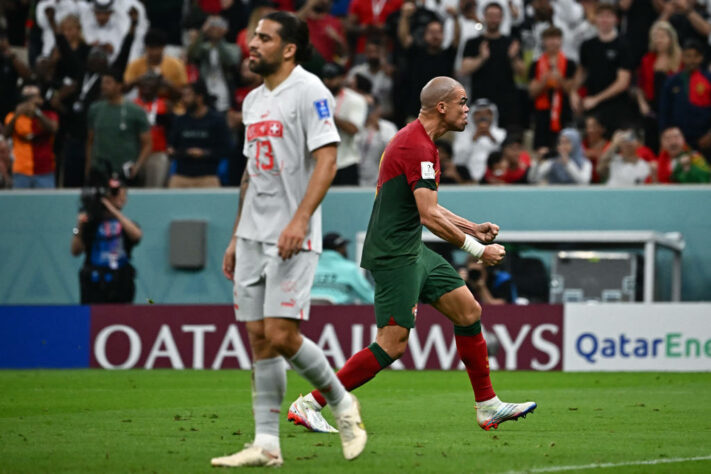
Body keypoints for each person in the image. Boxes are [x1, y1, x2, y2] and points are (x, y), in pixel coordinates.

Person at [286, 76, 536, 435]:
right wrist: (478, 250)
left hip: (411, 248)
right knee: (392, 344)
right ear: (442, 107)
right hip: (394, 253)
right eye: (463, 102)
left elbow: (428, 206)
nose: (468, 110)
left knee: (468, 311)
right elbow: (429, 216)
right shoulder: (417, 146)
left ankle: (487, 405)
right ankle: (310, 403)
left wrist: (471, 227)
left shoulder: (420, 141)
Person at [213, 11, 366, 468]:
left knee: (281, 333)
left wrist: (299, 221)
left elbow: (328, 159)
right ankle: (266, 445)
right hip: (253, 236)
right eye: (253, 36)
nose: (252, 44)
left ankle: (341, 404)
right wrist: (236, 235)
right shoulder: (254, 101)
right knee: (259, 338)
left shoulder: (310, 91)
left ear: (289, 48)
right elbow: (250, 173)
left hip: (291, 235)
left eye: (264, 37)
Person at [71, 172, 141, 303]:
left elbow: (136, 235)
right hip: (94, 282)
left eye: (124, 195)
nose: (123, 199)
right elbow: (75, 250)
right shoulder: (90, 222)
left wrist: (113, 210)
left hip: (120, 281)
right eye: (119, 195)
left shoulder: (124, 222)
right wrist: (78, 226)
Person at [459, 2, 524, 128]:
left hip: (507, 103)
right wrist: (481, 58)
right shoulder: (473, 42)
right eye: (490, 15)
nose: (493, 19)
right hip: (481, 101)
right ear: (484, 17)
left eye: (496, 16)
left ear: (502, 18)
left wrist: (513, 57)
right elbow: (464, 69)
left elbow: (522, 72)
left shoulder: (511, 42)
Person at [571, 3, 632, 131]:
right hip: (590, 103)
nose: (604, 20)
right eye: (601, 16)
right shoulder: (587, 45)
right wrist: (573, 92)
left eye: (609, 16)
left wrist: (597, 99)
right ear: (595, 19)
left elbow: (622, 82)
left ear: (616, 20)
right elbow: (582, 72)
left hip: (616, 105)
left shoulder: (623, 46)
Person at [85, 69, 152, 181]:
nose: (103, 86)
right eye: (102, 82)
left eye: (108, 82)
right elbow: (90, 141)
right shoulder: (95, 109)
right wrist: (88, 167)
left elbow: (147, 144)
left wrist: (137, 166)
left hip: (125, 171)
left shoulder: (136, 111)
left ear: (119, 86)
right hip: (100, 171)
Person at [398, 4, 459, 121]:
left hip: (443, 116)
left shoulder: (447, 55)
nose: (435, 35)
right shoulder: (416, 53)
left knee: (444, 140)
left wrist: (456, 18)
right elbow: (404, 38)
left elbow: (456, 39)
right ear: (425, 35)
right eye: (431, 32)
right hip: (417, 112)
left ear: (443, 35)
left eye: (438, 32)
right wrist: (404, 17)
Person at [167, 80, 231, 188]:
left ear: (199, 97)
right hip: (182, 175)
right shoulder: (180, 121)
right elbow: (172, 147)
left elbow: (226, 149)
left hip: (208, 175)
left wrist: (204, 153)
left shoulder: (217, 120)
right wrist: (179, 152)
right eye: (183, 96)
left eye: (187, 96)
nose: (184, 100)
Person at [635, 21, 682, 154]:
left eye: (662, 36)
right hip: (652, 108)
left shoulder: (680, 59)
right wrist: (642, 104)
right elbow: (640, 85)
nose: (658, 40)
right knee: (652, 144)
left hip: (674, 108)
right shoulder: (647, 59)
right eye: (655, 36)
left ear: (670, 38)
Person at [659, 39, 711, 156]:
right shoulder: (672, 82)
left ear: (701, 58)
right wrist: (664, 137)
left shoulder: (709, 79)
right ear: (682, 57)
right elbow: (664, 112)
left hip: (705, 140)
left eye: (695, 56)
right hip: (678, 141)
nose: (692, 60)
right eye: (688, 56)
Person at [528, 26, 577, 149]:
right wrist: (545, 81)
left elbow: (572, 89)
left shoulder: (570, 63)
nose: (553, 42)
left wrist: (559, 79)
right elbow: (532, 93)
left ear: (561, 41)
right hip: (542, 114)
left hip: (563, 112)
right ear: (544, 42)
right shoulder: (536, 64)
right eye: (549, 38)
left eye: (556, 38)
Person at [4, 83, 59, 189]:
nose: (30, 102)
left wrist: (37, 112)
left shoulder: (49, 115)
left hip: (44, 170)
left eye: (33, 98)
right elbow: (5, 134)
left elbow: (53, 128)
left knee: (46, 203)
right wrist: (17, 115)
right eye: (27, 99)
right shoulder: (13, 116)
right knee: (19, 204)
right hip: (21, 170)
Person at [321, 62, 368, 186]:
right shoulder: (318, 98)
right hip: (322, 162)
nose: (328, 82)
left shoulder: (355, 100)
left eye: (332, 78)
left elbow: (353, 129)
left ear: (342, 78)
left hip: (346, 162)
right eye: (325, 78)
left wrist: (329, 116)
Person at [187, 15, 241, 113]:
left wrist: (218, 40)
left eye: (219, 26)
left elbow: (230, 61)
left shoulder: (234, 48)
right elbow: (193, 55)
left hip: (225, 93)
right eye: (212, 26)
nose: (215, 29)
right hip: (205, 92)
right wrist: (202, 32)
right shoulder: (204, 48)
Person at [311, 232, 375, 304]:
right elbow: (369, 297)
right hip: (338, 313)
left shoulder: (310, 267)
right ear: (340, 248)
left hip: (308, 313)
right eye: (344, 247)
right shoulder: (349, 269)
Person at [123, 28, 188, 98]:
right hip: (144, 103)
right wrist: (137, 80)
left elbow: (184, 93)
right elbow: (123, 89)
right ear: (145, 47)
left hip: (168, 102)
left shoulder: (176, 65)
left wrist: (166, 83)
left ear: (163, 47)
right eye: (151, 48)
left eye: (157, 48)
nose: (154, 52)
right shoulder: (135, 64)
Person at [452, 98, 506, 182]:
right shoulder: (462, 135)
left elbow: (504, 159)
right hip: (468, 180)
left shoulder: (501, 134)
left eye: (487, 113)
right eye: (478, 114)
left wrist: (492, 138)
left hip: (495, 179)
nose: (483, 117)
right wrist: (473, 140)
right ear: (471, 116)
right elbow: (458, 161)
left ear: (493, 115)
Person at [133, 73, 171, 187]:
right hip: (137, 153)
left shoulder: (165, 104)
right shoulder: (133, 105)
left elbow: (171, 129)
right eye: (144, 82)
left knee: (155, 187)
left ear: (157, 87)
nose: (147, 85)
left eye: (151, 82)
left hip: (158, 153)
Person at [356, 98, 398, 186]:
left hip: (380, 179)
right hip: (357, 177)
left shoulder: (388, 127)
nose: (368, 111)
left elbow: (393, 153)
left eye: (371, 108)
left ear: (378, 108)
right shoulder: (356, 127)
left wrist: (378, 129)